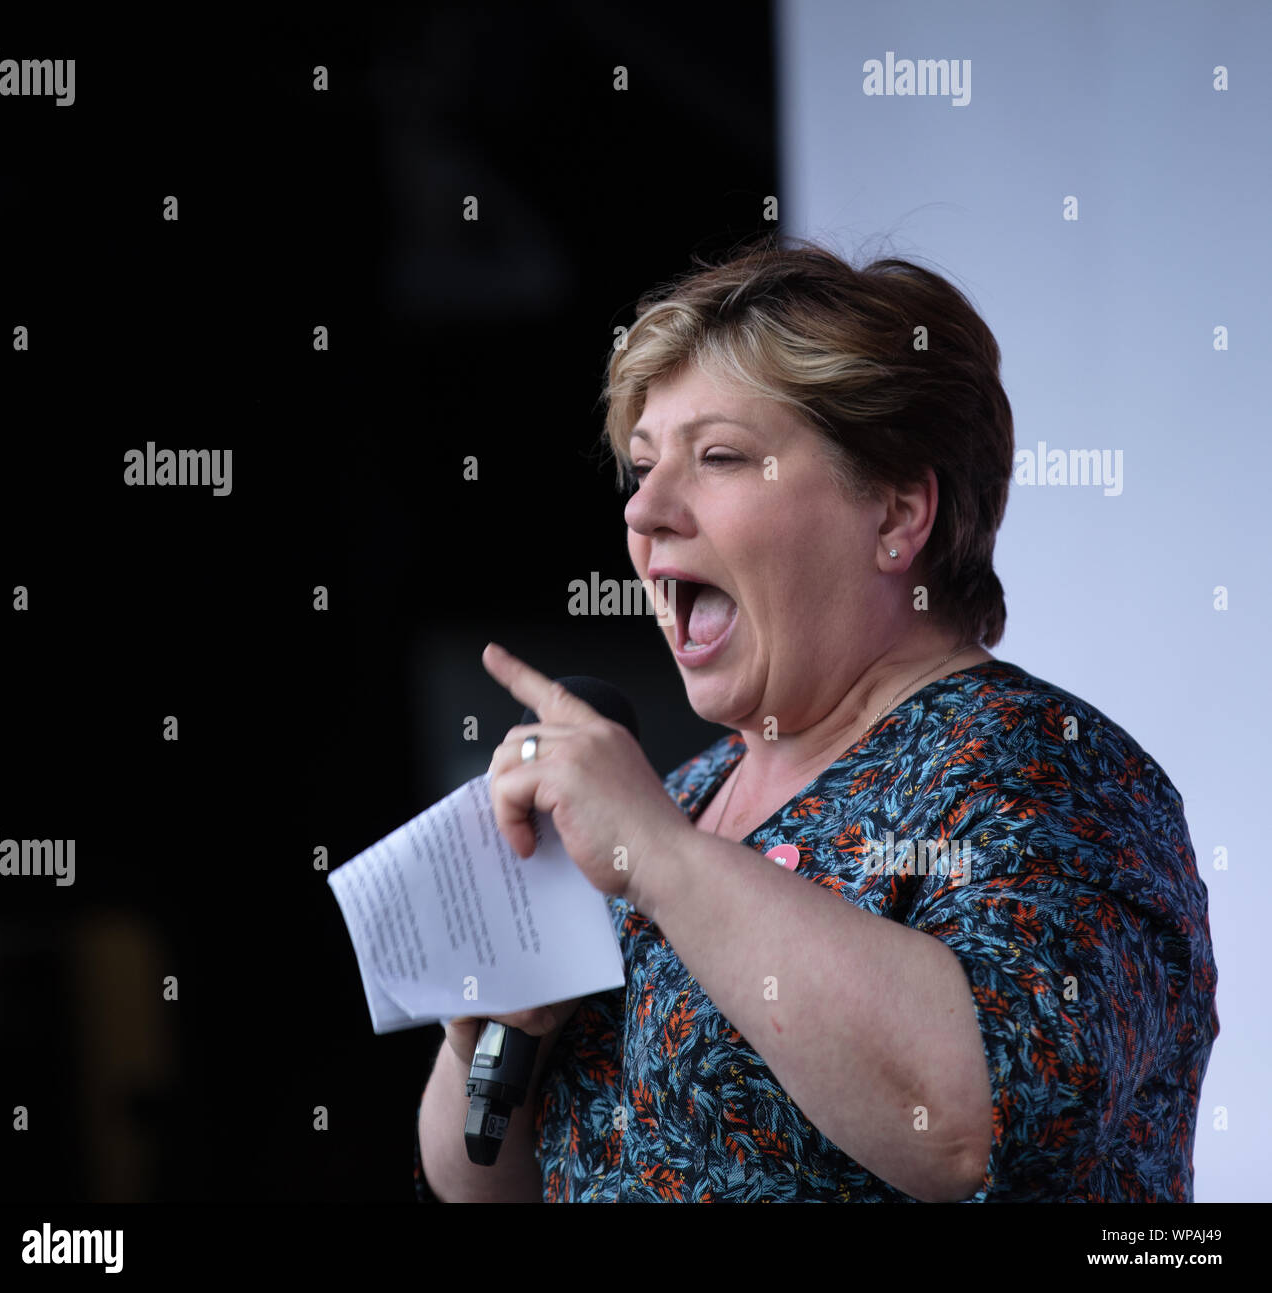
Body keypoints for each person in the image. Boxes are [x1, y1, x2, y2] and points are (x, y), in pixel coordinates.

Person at [414, 238, 1219, 1202]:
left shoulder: (1046, 771)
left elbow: (974, 1123)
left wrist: (661, 857)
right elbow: (479, 1189)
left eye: (717, 457)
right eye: (640, 466)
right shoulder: (678, 801)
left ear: (894, 512)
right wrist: (485, 1027)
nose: (645, 511)